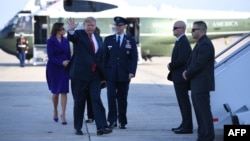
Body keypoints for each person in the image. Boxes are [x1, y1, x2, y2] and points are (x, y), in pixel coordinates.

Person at [66, 17, 112, 136]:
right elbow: (72, 37)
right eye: (88, 25)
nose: (90, 27)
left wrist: (103, 75)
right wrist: (71, 30)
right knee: (79, 101)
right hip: (79, 75)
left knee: (96, 99)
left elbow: (100, 56)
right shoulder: (79, 35)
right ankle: (78, 127)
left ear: (95, 26)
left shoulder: (98, 38)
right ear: (84, 25)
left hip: (94, 75)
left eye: (92, 25)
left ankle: (101, 127)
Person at [103, 16, 138, 129]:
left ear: (124, 26)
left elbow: (133, 58)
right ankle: (112, 121)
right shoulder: (108, 40)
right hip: (111, 74)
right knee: (111, 97)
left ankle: (122, 121)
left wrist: (132, 72)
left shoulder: (130, 40)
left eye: (120, 25)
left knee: (122, 99)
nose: (118, 27)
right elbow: (104, 58)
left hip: (124, 74)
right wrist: (103, 74)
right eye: (116, 25)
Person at [183, 21, 215, 141]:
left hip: (201, 84)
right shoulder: (200, 43)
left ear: (202, 30)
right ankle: (202, 135)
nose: (192, 32)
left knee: (204, 111)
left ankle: (208, 137)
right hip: (197, 83)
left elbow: (199, 64)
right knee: (199, 112)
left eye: (194, 30)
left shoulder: (205, 44)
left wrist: (187, 73)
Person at [167, 21, 193, 134]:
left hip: (181, 77)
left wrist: (170, 65)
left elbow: (182, 59)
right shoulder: (180, 41)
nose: (173, 30)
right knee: (182, 102)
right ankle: (184, 124)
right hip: (178, 77)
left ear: (182, 29)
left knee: (184, 102)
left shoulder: (183, 42)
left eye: (175, 28)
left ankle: (187, 126)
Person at [46, 22, 71, 125]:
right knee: (55, 93)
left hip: (65, 69)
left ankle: (63, 115)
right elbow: (50, 56)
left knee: (64, 92)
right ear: (58, 30)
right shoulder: (50, 41)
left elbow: (69, 54)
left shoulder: (66, 41)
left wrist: (70, 63)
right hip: (54, 68)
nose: (64, 31)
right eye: (63, 29)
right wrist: (61, 62)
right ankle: (55, 110)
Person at [85, 26, 101, 124]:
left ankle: (95, 116)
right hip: (87, 74)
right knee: (89, 96)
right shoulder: (86, 43)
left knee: (95, 97)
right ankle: (91, 116)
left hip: (97, 74)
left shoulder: (100, 43)